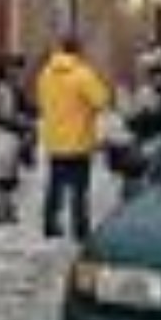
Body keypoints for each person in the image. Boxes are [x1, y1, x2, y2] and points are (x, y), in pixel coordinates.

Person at [34, 32, 113, 242]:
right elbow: (102, 101)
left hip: (54, 140)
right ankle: (80, 229)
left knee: (55, 185)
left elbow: (41, 101)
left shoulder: (46, 73)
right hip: (79, 141)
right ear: (79, 50)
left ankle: (50, 224)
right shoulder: (83, 74)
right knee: (79, 189)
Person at [0, 54, 38, 225]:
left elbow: (27, 107)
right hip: (4, 136)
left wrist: (34, 115)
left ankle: (6, 207)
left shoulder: (14, 88)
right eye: (15, 69)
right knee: (3, 174)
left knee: (10, 174)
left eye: (19, 69)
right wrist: (22, 124)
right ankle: (0, 208)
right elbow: (0, 116)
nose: (18, 73)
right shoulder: (2, 89)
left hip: (12, 136)